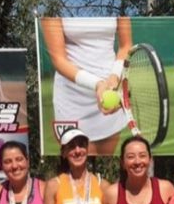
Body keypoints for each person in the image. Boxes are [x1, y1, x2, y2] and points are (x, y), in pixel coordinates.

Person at [41, 15, 133, 155]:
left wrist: (114, 76)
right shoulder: (54, 6)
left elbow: (125, 46)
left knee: (106, 160)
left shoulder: (118, 3)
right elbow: (58, 59)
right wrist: (97, 84)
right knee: (76, 163)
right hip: (72, 98)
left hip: (110, 89)